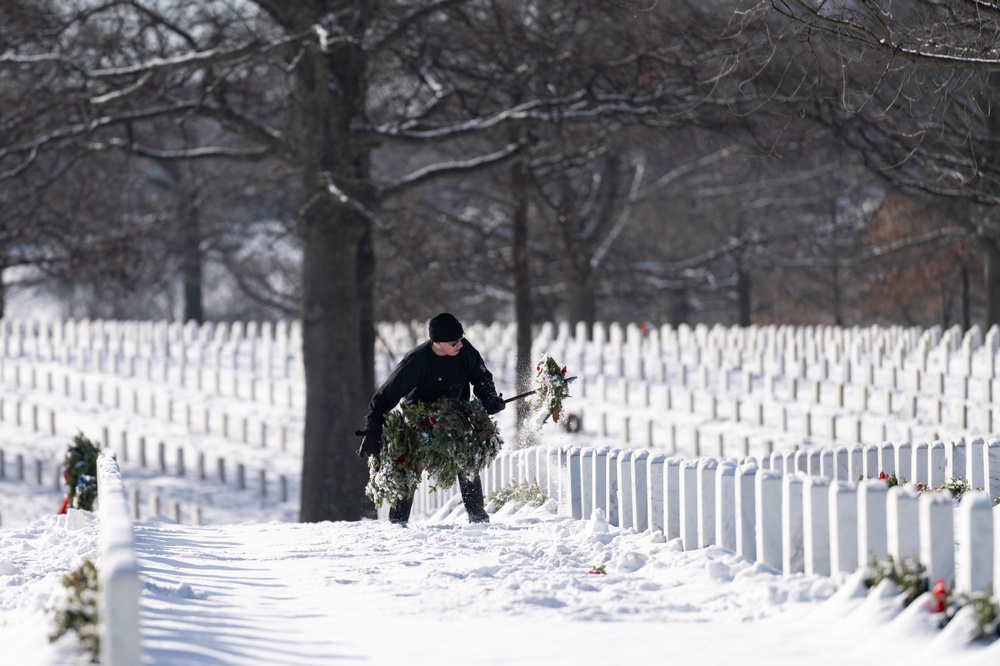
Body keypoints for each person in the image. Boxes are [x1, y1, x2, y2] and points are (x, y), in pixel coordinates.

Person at [358, 312, 506, 525]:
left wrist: (490, 398)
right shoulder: (416, 361)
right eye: (454, 342)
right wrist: (373, 431)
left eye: (461, 338)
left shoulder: (465, 351)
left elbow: (481, 377)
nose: (460, 345)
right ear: (437, 343)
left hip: (455, 416)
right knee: (407, 462)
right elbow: (384, 397)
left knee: (468, 458)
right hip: (419, 421)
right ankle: (397, 523)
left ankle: (478, 518)